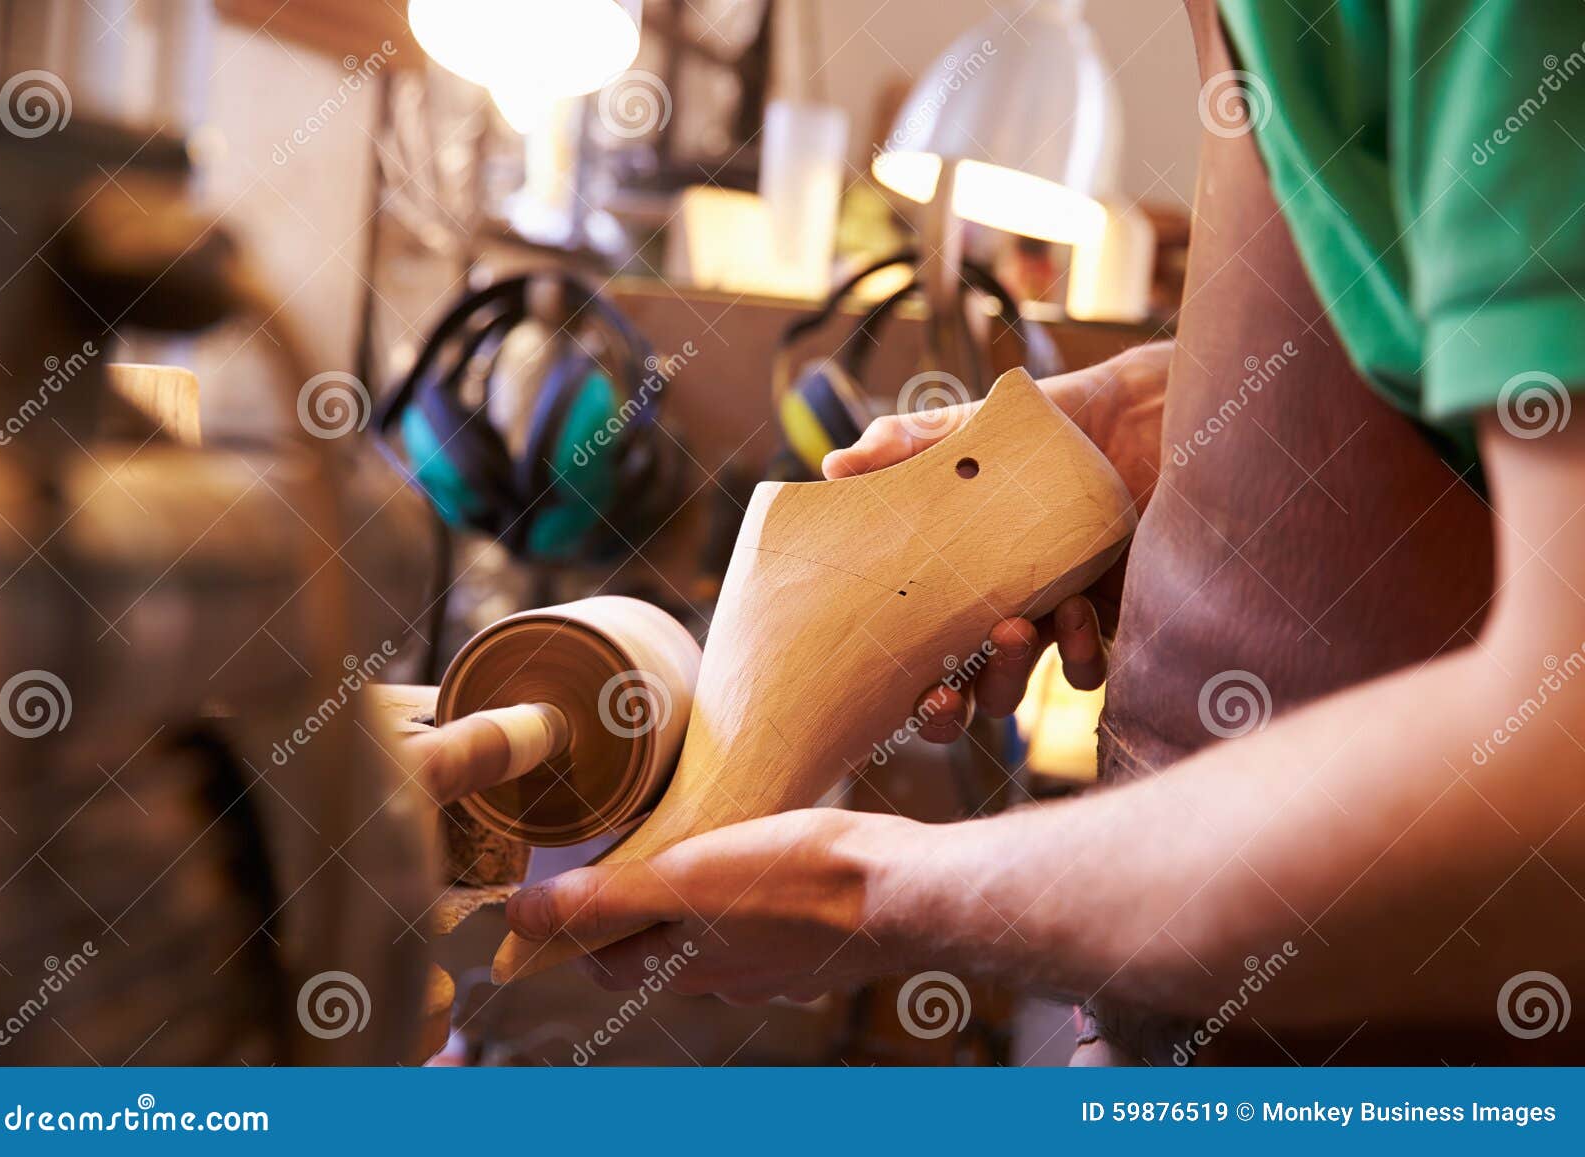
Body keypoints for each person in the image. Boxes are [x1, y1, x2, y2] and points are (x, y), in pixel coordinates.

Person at [489, 1, 1585, 1063]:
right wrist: (1172, 416)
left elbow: (1561, 770)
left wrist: (876, 893)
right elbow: (1394, 285)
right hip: (1170, 1034)